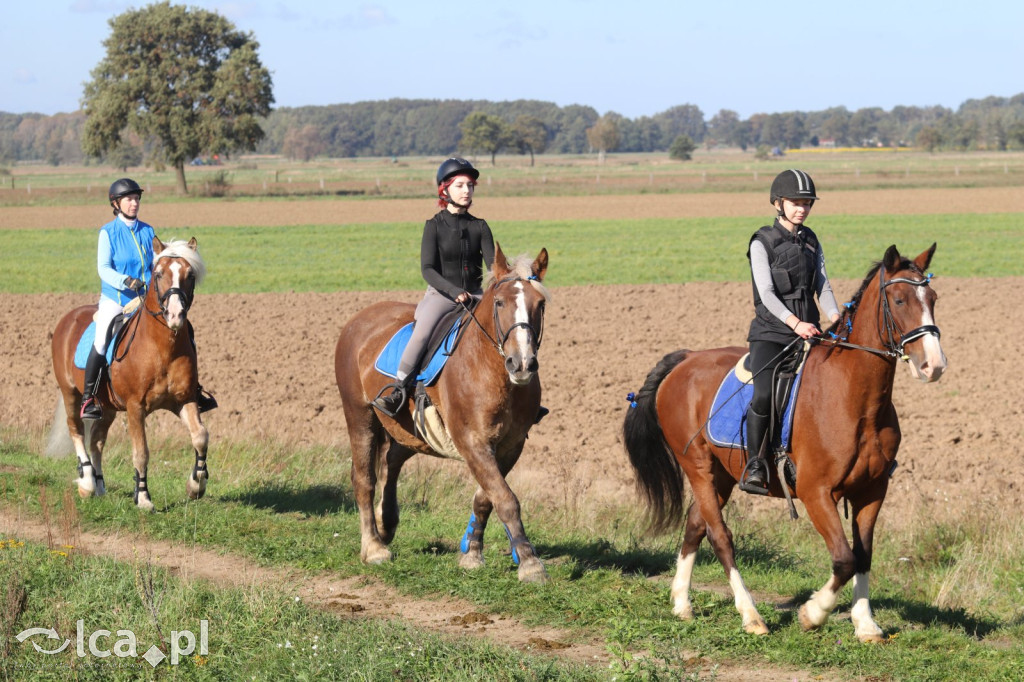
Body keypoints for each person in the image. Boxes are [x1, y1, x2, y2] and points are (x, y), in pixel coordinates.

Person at [79, 178, 218, 420]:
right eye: (129, 199)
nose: (134, 204)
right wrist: (126, 281)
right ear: (116, 203)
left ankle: (194, 388)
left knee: (186, 329)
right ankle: (89, 398)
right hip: (117, 299)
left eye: (136, 199)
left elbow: (159, 263)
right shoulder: (107, 233)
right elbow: (103, 269)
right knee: (101, 340)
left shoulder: (148, 231)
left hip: (145, 300)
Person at [740, 169, 840, 495]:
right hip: (771, 334)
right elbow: (766, 294)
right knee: (766, 394)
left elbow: (822, 286)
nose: (802, 209)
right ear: (778, 203)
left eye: (807, 203)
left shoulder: (811, 240)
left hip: (810, 333)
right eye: (796, 203)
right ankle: (755, 464)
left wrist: (837, 318)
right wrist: (795, 323)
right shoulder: (761, 242)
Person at [373, 158, 496, 417]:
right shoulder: (434, 226)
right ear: (445, 190)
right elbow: (427, 270)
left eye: (470, 186)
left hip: (476, 295)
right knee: (423, 332)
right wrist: (454, 292)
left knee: (504, 329)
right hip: (441, 295)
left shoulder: (480, 226)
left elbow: (494, 267)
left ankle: (523, 396)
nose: (467, 191)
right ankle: (399, 388)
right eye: (460, 185)